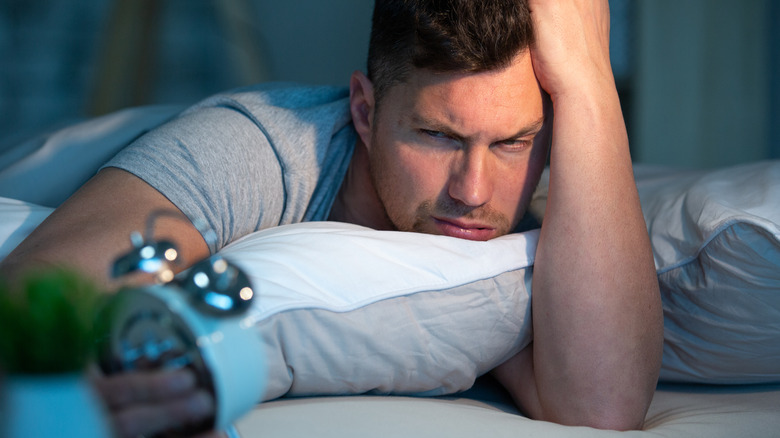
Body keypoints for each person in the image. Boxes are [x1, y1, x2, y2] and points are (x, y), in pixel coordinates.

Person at [0, 0, 663, 435]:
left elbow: (600, 404)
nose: (473, 189)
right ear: (366, 112)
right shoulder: (257, 152)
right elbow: (42, 287)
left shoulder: (518, 203)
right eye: (437, 137)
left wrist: (587, 82)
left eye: (513, 142)